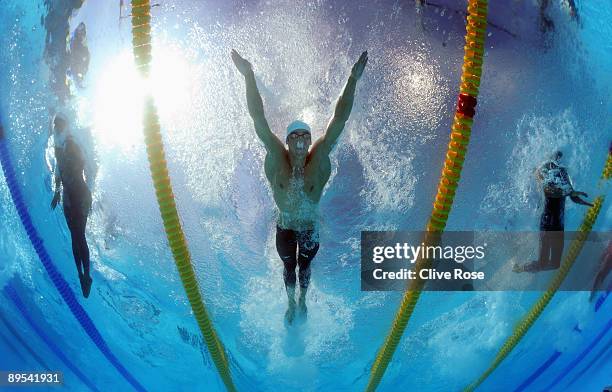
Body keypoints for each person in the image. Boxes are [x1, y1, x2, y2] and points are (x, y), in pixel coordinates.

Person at [232, 49, 368, 325]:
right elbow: (258, 119)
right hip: (284, 227)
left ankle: (303, 300)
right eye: (295, 135)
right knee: (288, 266)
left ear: (309, 141)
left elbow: (338, 121)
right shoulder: (276, 158)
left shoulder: (317, 161)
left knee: (305, 266)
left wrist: (353, 79)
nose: (300, 139)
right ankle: (291, 303)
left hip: (309, 228)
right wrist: (248, 74)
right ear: (287, 139)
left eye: (305, 135)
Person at [514, 151, 593, 273]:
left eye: (558, 160)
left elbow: (571, 194)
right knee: (542, 263)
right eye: (554, 160)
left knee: (556, 264)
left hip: (559, 225)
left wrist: (580, 199)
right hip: (547, 224)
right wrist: (570, 192)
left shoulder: (562, 173)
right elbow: (556, 190)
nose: (556, 163)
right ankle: (520, 268)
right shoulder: (547, 179)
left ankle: (526, 268)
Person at [51, 113, 93, 297]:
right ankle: (81, 274)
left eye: (60, 124)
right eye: (56, 125)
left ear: (65, 125)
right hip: (68, 198)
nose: (57, 128)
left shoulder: (72, 143)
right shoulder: (58, 148)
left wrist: (89, 195)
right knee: (74, 236)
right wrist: (56, 192)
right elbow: (58, 172)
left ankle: (87, 274)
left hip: (80, 195)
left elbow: (87, 166)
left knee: (79, 235)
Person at [68, 22, 90, 89]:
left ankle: (79, 82)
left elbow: (87, 55)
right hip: (73, 64)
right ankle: (78, 82)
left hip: (76, 65)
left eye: (82, 31)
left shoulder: (80, 43)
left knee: (78, 72)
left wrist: (85, 67)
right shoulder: (74, 40)